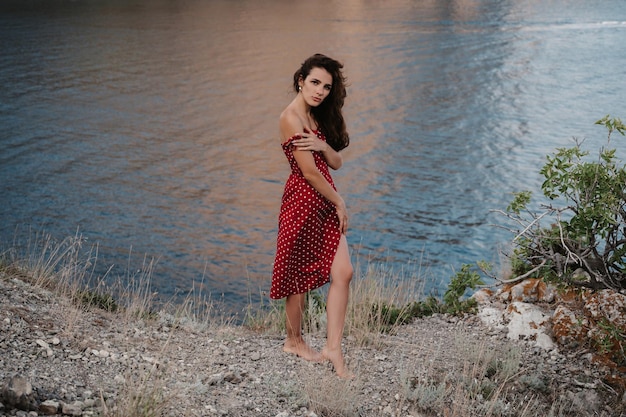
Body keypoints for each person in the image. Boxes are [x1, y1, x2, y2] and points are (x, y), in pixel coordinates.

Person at [270, 53, 354, 378]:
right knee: (298, 275)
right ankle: (294, 341)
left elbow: (335, 163)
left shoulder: (316, 117)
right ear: (301, 80)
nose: (320, 91)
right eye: (315, 82)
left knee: (343, 272)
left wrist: (321, 144)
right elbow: (309, 173)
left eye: (326, 87)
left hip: (324, 199)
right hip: (305, 200)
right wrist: (340, 202)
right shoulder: (290, 117)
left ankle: (333, 349)